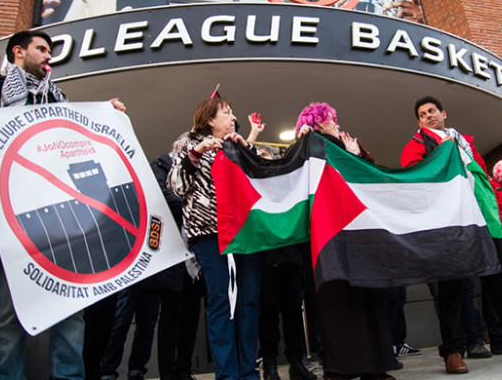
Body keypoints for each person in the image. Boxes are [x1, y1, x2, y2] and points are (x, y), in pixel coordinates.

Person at [0, 30, 126, 380]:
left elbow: (74, 145)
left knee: (71, 309)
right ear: (18, 51)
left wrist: (105, 115)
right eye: (42, 49)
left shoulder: (57, 99)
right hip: (7, 223)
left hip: (58, 222)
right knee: (8, 314)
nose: (49, 56)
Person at [400, 96, 502, 374]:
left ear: (444, 113)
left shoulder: (465, 143)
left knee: (500, 284)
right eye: (422, 114)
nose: (428, 116)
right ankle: (453, 351)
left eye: (432, 111)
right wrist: (441, 154)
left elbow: (483, 178)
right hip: (452, 223)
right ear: (419, 122)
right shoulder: (417, 145)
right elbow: (415, 179)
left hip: (484, 217)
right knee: (452, 289)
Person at [295, 102, 398, 380]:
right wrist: (352, 158)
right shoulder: (312, 147)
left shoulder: (337, 147)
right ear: (318, 123)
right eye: (332, 118)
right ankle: (363, 367)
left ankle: (351, 367)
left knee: (347, 300)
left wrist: (356, 156)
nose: (337, 122)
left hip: (342, 235)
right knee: (347, 299)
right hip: (338, 234)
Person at [167, 97, 262, 380]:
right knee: (222, 301)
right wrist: (196, 153)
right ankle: (228, 375)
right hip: (211, 235)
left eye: (233, 113)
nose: (233, 118)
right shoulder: (189, 144)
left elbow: (260, 185)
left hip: (246, 233)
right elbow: (176, 187)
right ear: (209, 119)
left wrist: (249, 149)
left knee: (249, 301)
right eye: (226, 113)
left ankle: (248, 372)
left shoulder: (238, 146)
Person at [255, 143, 316, 380]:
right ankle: (269, 364)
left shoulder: (288, 185)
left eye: (265, 155)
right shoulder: (251, 186)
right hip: (264, 256)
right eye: (257, 156)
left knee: (293, 311)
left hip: (290, 256)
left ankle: (297, 362)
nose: (262, 159)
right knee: (268, 311)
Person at [151, 136, 204, 380]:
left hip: (194, 255)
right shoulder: (160, 166)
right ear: (179, 147)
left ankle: (184, 370)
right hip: (170, 253)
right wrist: (192, 205)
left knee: (192, 315)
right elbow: (161, 197)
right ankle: (168, 373)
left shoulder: (198, 171)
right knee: (171, 316)